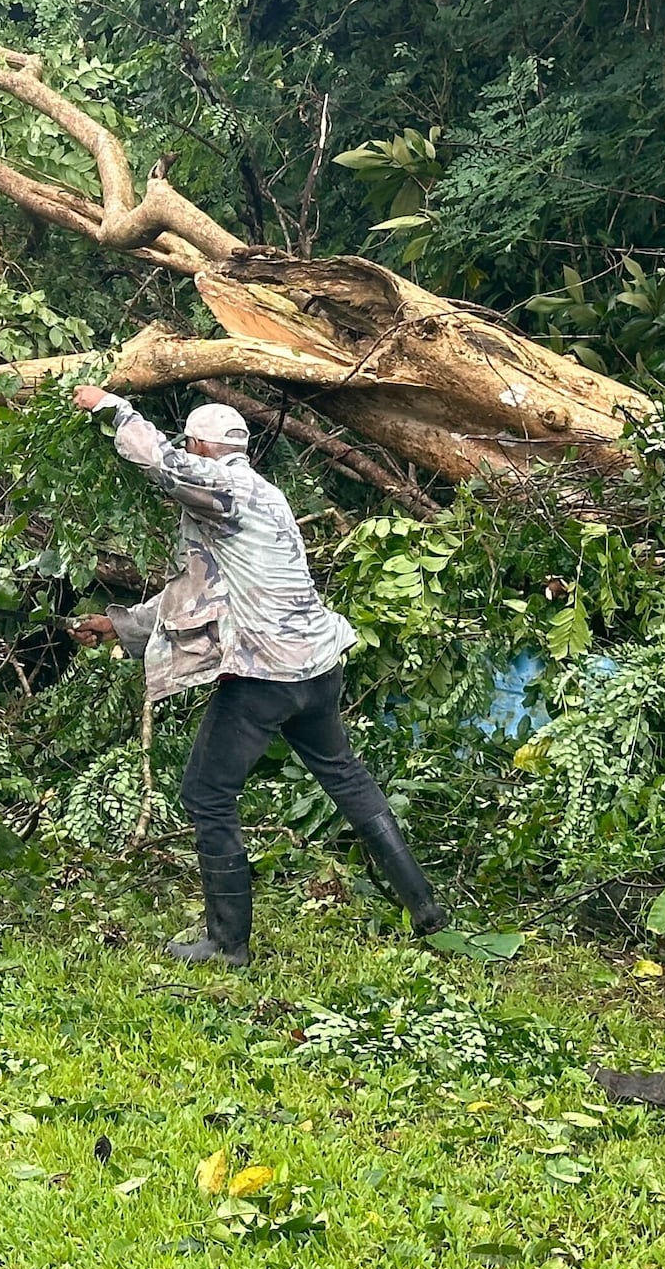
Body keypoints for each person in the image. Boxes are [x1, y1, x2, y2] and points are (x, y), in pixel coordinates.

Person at [69, 385, 446, 966]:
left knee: (206, 794)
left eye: (189, 445)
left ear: (200, 445)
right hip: (317, 667)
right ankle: (424, 907)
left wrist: (111, 409)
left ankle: (227, 942)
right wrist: (118, 626)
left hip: (267, 673)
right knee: (345, 777)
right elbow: (197, 592)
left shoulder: (225, 485)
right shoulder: (261, 495)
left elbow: (163, 464)